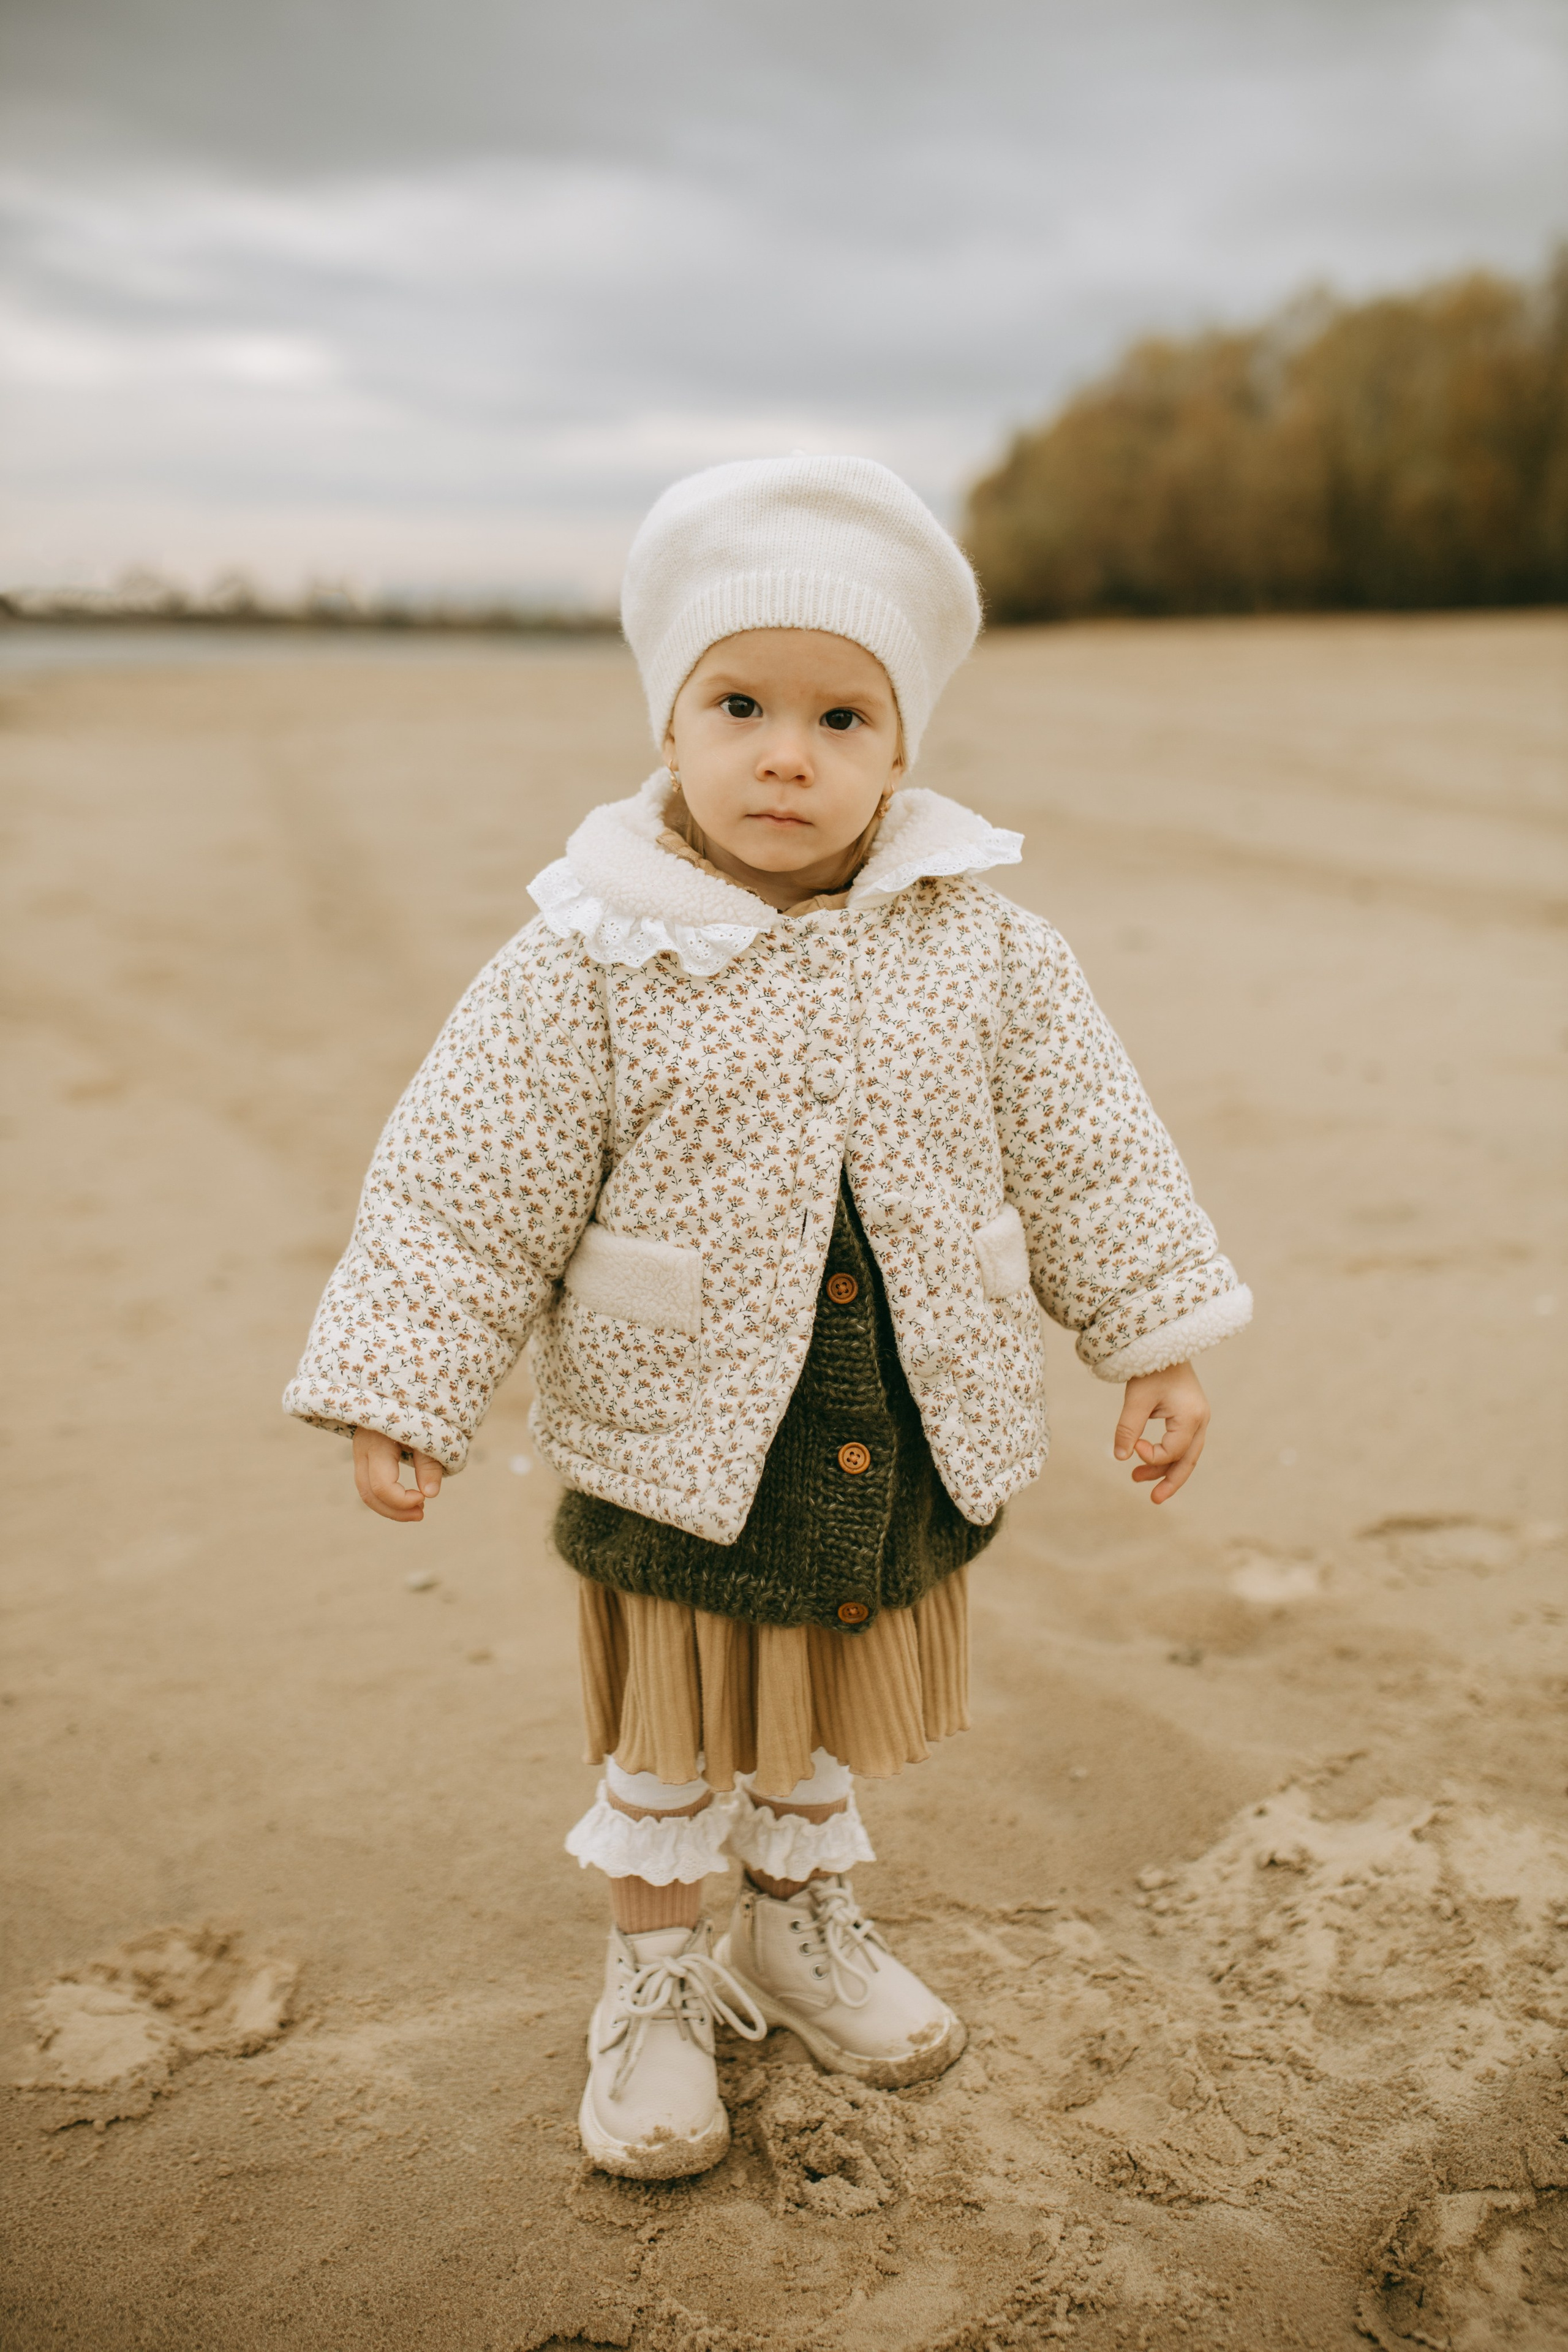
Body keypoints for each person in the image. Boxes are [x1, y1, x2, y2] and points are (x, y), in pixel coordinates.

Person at [284, 454, 1251, 2180]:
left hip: (893, 1429)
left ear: (904, 747)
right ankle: (655, 1974)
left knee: (804, 1717)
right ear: (670, 728)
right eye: (740, 705)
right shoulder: (587, 952)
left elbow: (1093, 1150)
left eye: (842, 718)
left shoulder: (983, 946)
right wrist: (405, 1388)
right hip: (681, 1448)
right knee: (674, 1738)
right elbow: (461, 1190)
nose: (787, 754)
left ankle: (801, 1930)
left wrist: (1152, 1336)